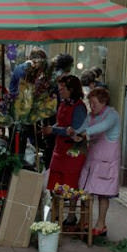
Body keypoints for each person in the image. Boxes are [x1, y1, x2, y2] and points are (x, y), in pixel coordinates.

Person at [70, 87, 121, 237]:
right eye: (90, 103)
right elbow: (82, 128)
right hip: (92, 160)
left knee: (103, 194)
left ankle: (101, 224)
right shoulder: (91, 116)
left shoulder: (112, 115)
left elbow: (102, 127)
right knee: (85, 190)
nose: (92, 107)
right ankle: (84, 221)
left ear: (104, 102)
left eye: (94, 103)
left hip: (107, 162)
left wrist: (85, 133)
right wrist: (74, 132)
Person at [42, 75, 87, 226]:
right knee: (56, 183)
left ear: (71, 89)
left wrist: (53, 130)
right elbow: (61, 123)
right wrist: (53, 128)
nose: (60, 91)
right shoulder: (64, 103)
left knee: (70, 183)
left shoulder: (79, 107)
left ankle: (71, 215)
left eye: (62, 88)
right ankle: (55, 213)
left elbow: (74, 131)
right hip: (59, 149)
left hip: (72, 152)